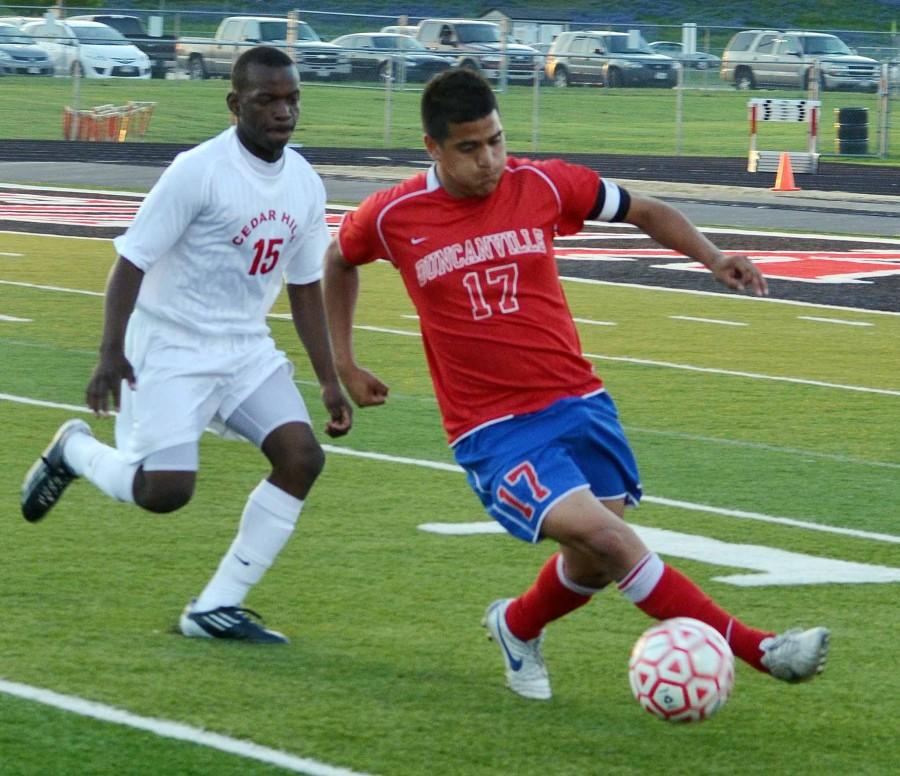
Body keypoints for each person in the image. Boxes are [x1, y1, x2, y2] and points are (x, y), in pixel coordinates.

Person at [322, 68, 829, 699]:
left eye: (497, 141)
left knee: (590, 561)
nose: (490, 161)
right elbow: (339, 260)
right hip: (492, 430)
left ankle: (515, 624)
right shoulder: (394, 214)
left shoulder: (541, 183)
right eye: (470, 148)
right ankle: (761, 650)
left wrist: (712, 256)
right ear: (433, 148)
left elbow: (645, 210)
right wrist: (344, 362)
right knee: (610, 541)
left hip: (578, 401)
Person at [21, 46, 352, 644]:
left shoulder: (304, 182)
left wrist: (328, 377)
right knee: (165, 492)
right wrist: (110, 352)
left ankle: (215, 606)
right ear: (234, 105)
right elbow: (131, 261)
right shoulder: (197, 170)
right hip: (169, 345)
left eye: (292, 98)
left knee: (302, 458)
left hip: (245, 346)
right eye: (267, 99)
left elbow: (305, 286)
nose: (283, 111)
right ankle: (74, 451)